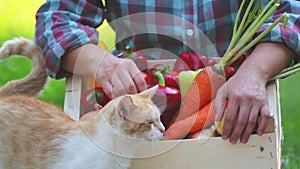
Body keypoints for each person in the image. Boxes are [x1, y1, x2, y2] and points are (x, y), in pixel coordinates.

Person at [35, 0, 300, 144]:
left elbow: (291, 10)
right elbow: (55, 20)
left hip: (233, 96)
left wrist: (254, 73)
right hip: (139, 87)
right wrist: (105, 64)